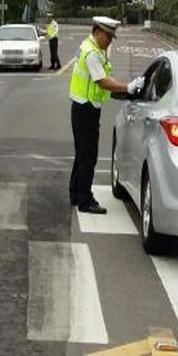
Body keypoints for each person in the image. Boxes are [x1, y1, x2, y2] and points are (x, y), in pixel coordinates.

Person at [68, 16, 144, 214]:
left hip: (83, 107)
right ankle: (85, 200)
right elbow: (102, 81)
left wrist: (123, 90)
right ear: (98, 32)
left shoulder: (91, 47)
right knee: (88, 157)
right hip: (85, 109)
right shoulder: (92, 53)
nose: (110, 40)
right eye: (108, 36)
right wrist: (128, 86)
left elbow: (105, 81)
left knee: (82, 155)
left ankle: (76, 193)